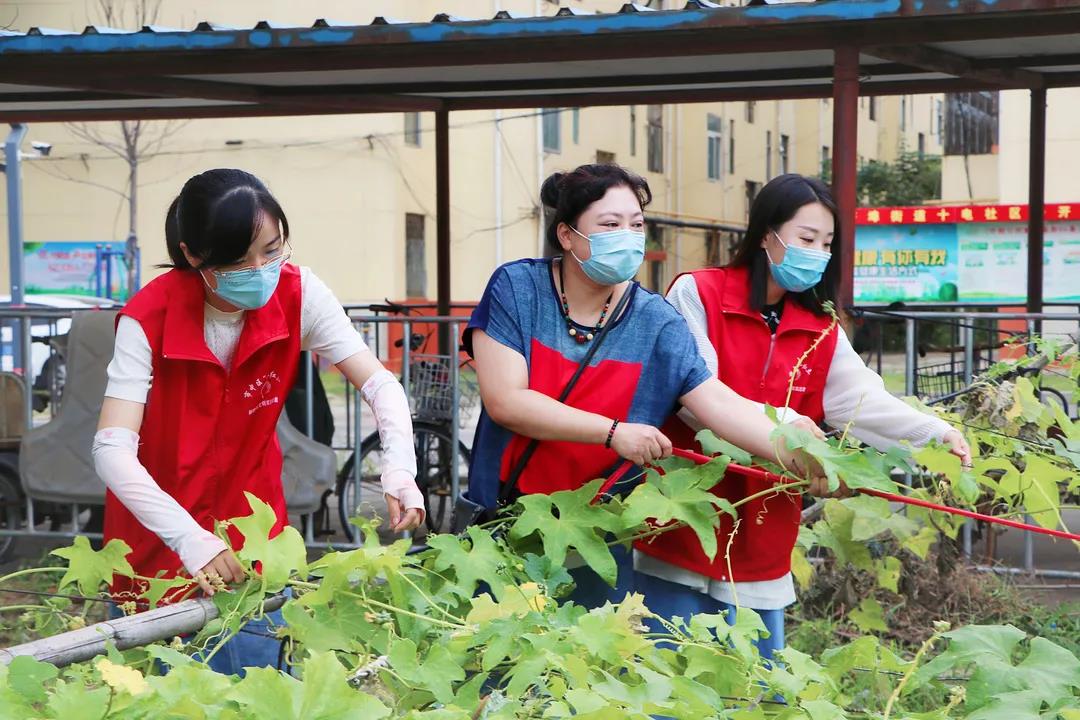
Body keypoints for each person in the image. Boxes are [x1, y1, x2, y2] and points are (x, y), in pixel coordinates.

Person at [93, 169, 425, 674]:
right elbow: (112, 449)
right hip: (157, 538)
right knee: (161, 694)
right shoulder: (148, 319)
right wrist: (189, 538)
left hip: (254, 540)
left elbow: (380, 384)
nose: (261, 269)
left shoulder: (300, 294)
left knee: (261, 687)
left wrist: (400, 466)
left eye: (272, 250)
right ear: (193, 256)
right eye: (238, 260)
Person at [635, 173, 972, 660]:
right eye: (806, 238)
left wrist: (936, 434)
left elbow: (860, 400)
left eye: (827, 242)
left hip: (764, 522)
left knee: (759, 686)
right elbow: (693, 395)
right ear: (766, 235)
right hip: (684, 517)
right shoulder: (698, 294)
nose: (817, 251)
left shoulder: (819, 326)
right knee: (667, 678)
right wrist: (788, 427)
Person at [463, 164, 820, 608]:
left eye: (636, 225)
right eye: (610, 225)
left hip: (597, 529)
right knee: (497, 666)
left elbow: (717, 403)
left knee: (584, 668)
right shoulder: (518, 288)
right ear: (568, 235)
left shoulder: (655, 320)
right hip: (507, 521)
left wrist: (800, 451)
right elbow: (506, 402)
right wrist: (614, 432)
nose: (628, 237)